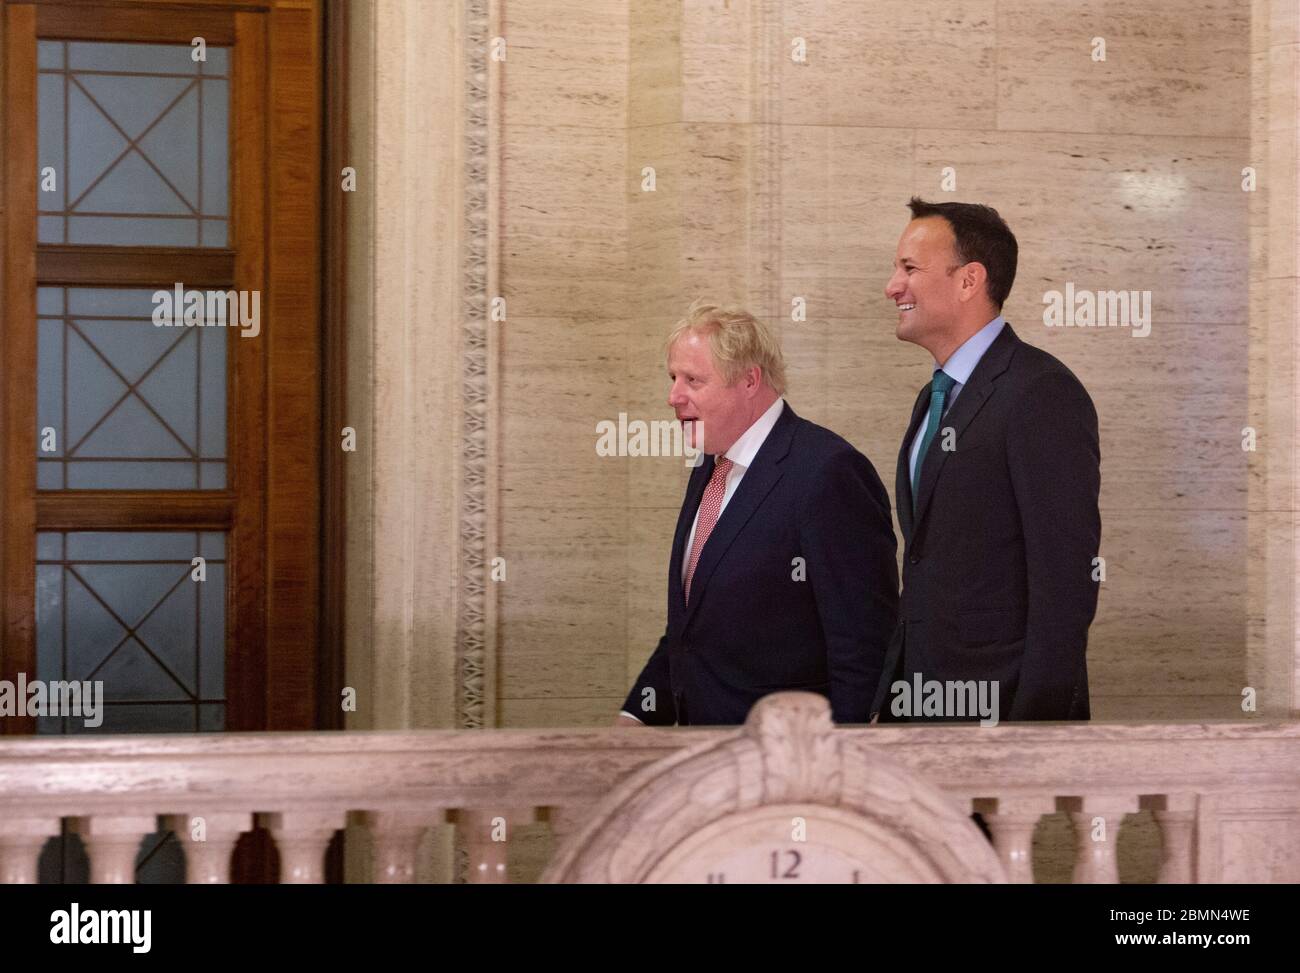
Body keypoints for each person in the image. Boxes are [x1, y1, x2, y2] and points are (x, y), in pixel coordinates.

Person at [873, 198, 1101, 723]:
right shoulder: (933, 398)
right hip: (921, 711)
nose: (892, 286)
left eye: (909, 268)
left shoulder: (1041, 393)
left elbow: (1064, 580)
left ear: (969, 280)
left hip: (998, 719)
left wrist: (1031, 730)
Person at [617, 300, 898, 726]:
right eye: (673, 378)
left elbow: (862, 647)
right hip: (706, 760)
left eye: (693, 380)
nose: (673, 396)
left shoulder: (827, 472)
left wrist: (835, 766)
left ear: (749, 381)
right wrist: (637, 716)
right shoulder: (710, 464)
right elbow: (693, 627)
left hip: (789, 766)